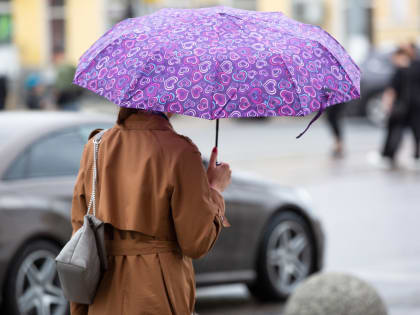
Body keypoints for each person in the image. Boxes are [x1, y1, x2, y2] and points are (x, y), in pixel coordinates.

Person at [70, 108, 231, 315]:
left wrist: (80, 308)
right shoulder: (180, 151)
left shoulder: (95, 146)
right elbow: (196, 242)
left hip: (102, 295)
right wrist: (214, 191)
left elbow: (79, 232)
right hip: (158, 295)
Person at [370, 47, 411, 168]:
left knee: (393, 130)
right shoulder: (413, 68)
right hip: (409, 105)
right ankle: (392, 154)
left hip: (399, 106)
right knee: (400, 131)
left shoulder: (399, 71)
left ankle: (388, 154)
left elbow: (391, 90)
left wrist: (387, 104)